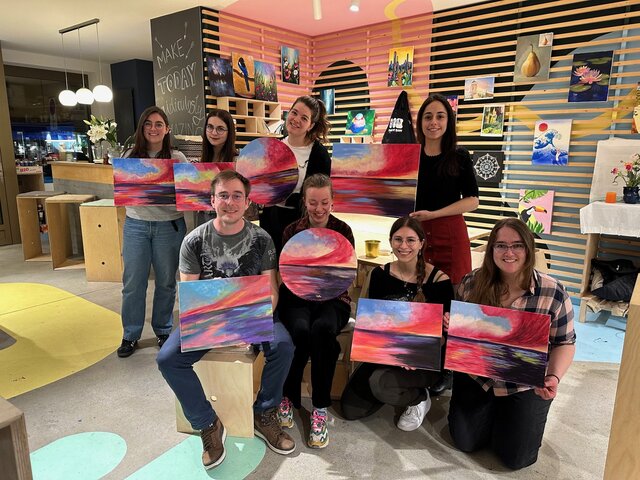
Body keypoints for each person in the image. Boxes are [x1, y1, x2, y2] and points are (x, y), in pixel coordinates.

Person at [157, 170, 296, 470]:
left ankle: (265, 412)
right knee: (167, 359)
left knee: (284, 347)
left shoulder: (262, 239)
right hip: (209, 317)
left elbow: (271, 292)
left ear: (247, 202)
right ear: (212, 200)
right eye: (223, 195)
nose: (230, 202)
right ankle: (207, 422)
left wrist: (249, 324)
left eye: (236, 196)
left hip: (252, 314)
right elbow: (189, 294)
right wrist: (220, 330)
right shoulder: (194, 241)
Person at [448, 217, 576, 470]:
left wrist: (554, 376)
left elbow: (565, 342)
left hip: (524, 383)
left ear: (529, 249)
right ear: (491, 249)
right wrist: (452, 326)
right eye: (501, 245)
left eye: (517, 245)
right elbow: (461, 333)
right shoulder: (471, 283)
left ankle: (514, 416)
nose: (509, 253)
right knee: (466, 442)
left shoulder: (553, 292)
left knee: (516, 459)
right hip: (478, 377)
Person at [340, 216, 453, 431]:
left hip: (422, 361)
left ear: (421, 243)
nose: (403, 246)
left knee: (379, 384)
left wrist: (413, 355)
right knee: (350, 409)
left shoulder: (440, 281)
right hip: (385, 355)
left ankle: (419, 398)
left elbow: (445, 335)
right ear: (391, 241)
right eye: (398, 239)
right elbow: (371, 324)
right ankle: (394, 387)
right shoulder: (379, 275)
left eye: (410, 240)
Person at [409, 93, 480, 394]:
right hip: (418, 232)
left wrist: (435, 214)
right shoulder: (411, 156)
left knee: (454, 297)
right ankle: (425, 360)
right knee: (424, 293)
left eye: (440, 116)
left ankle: (450, 367)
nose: (434, 122)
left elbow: (473, 200)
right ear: (420, 122)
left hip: (450, 231)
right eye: (428, 116)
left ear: (448, 121)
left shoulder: (459, 156)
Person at [277, 174, 353, 449]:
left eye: (324, 202)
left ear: (332, 201)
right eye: (312, 202)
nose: (318, 209)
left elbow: (346, 274)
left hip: (334, 298)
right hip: (297, 297)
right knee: (299, 331)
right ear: (304, 202)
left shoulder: (343, 230)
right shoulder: (291, 231)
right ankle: (288, 397)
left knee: (322, 330)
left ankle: (320, 407)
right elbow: (287, 273)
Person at [118, 106, 187, 358]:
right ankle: (130, 334)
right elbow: (122, 191)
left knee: (166, 282)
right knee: (132, 283)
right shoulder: (129, 156)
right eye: (148, 123)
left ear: (167, 129)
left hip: (169, 225)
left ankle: (163, 330)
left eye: (159, 124)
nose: (153, 128)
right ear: (141, 128)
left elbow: (187, 194)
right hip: (136, 225)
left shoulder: (177, 158)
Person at [259, 95, 331, 254]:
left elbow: (320, 196)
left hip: (301, 225)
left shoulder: (319, 155)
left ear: (311, 125)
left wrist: (286, 198)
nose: (296, 119)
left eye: (304, 118)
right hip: (270, 221)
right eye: (294, 112)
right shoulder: (273, 147)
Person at [196, 109, 237, 226]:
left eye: (220, 129)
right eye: (210, 127)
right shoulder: (201, 161)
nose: (214, 133)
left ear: (229, 132)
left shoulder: (237, 161)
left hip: (228, 217)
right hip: (203, 216)